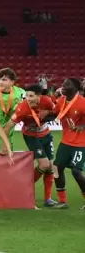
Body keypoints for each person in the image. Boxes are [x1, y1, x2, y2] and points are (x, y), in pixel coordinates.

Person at [3, 85, 56, 207]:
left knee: (50, 167)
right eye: (26, 95)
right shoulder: (22, 108)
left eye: (31, 96)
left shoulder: (47, 101)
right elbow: (7, 127)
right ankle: (23, 188)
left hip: (46, 134)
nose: (28, 99)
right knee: (44, 164)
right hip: (31, 136)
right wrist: (4, 145)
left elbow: (56, 111)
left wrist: (48, 113)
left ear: (39, 96)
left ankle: (48, 199)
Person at [51, 78, 85, 209]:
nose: (63, 86)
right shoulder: (61, 101)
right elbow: (53, 114)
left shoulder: (82, 102)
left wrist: (82, 126)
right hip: (65, 142)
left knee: (76, 171)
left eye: (67, 84)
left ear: (75, 88)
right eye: (63, 84)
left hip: (81, 143)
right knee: (57, 168)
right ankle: (62, 201)